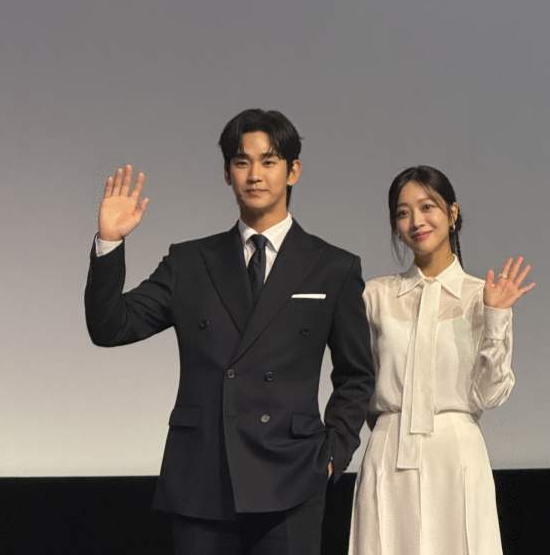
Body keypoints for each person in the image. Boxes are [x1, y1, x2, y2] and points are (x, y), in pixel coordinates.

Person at [85, 108, 374, 555]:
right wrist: (110, 241)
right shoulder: (190, 262)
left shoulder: (332, 266)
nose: (254, 175)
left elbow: (356, 375)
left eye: (269, 161)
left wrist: (333, 455)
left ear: (293, 171)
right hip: (202, 477)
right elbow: (110, 327)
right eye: (242, 162)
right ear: (227, 173)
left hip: (292, 476)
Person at [348, 165, 535, 555]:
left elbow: (490, 394)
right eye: (403, 212)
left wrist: (496, 315)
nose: (416, 221)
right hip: (389, 449)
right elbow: (359, 380)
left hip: (456, 452)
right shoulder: (376, 296)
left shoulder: (484, 294)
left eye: (427, 207)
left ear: (452, 213)